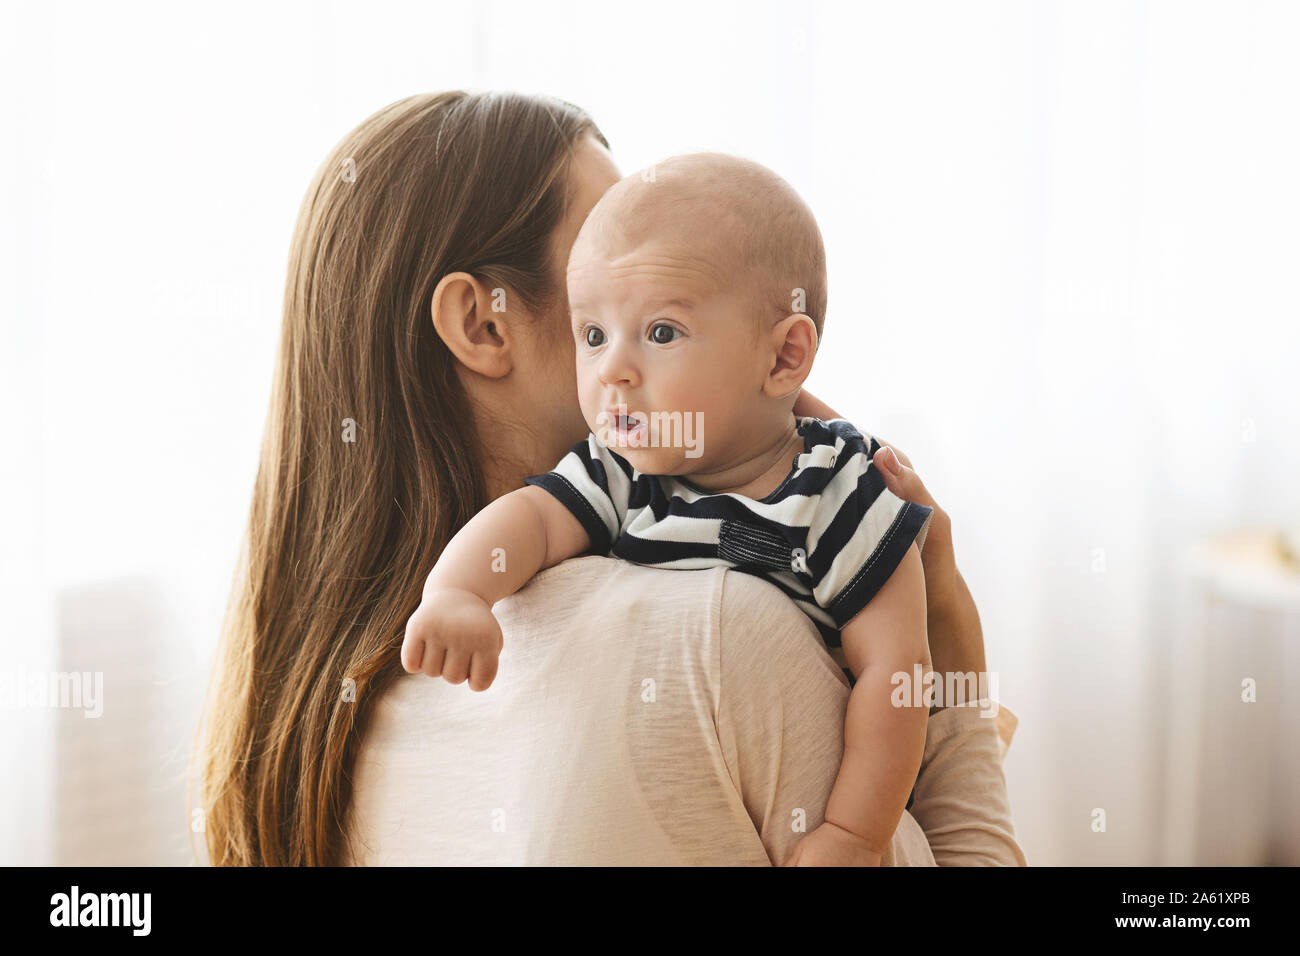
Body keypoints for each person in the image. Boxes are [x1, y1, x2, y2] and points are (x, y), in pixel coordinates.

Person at [194, 91, 1025, 867]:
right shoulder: (718, 635)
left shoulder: (312, 713)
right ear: (484, 323)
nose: (642, 256)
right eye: (600, 265)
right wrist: (951, 644)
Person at [400, 153, 937, 866]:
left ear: (784, 358)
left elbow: (896, 675)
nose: (612, 371)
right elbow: (528, 520)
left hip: (850, 795)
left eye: (660, 333)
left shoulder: (837, 487)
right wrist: (460, 592)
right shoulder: (627, 471)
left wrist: (854, 833)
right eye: (591, 335)